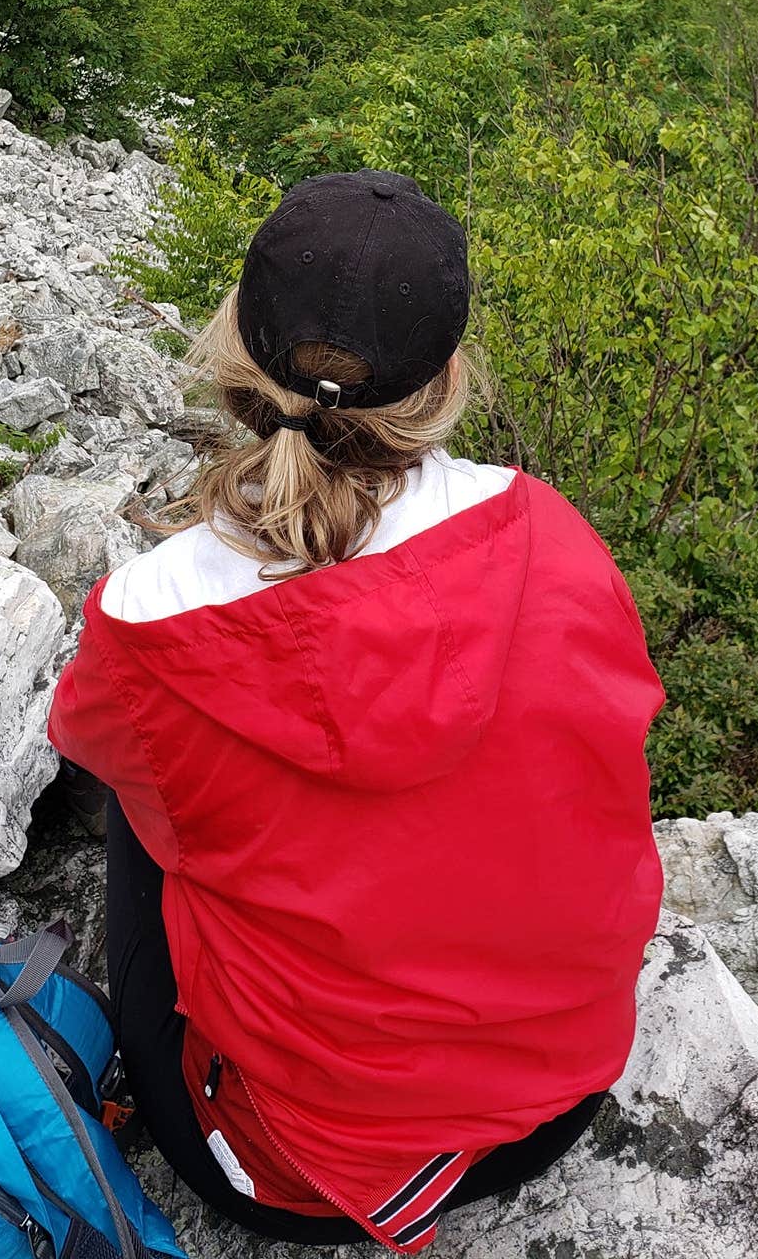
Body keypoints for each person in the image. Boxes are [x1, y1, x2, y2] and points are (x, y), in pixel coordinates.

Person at [48, 170, 664, 1251]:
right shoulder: (553, 535)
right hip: (554, 1103)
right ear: (446, 379)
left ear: (238, 345)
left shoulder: (151, 613)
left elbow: (87, 735)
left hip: (287, 1167)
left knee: (143, 801)